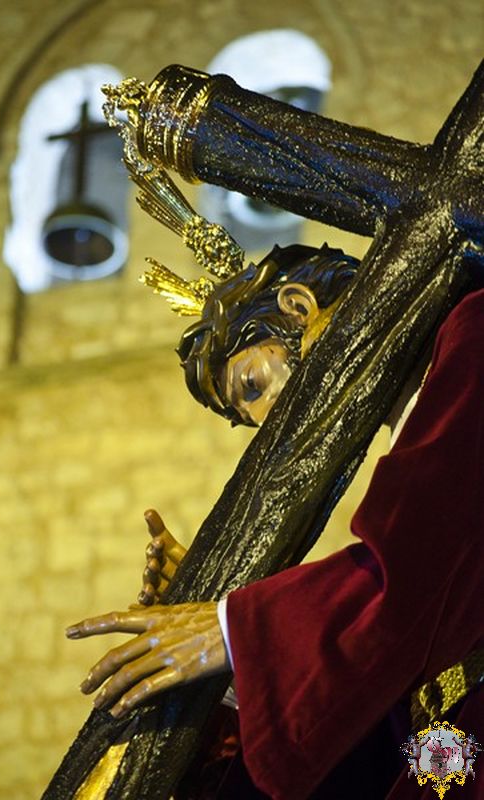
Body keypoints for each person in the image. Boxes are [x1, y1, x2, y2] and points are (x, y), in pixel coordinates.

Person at [66, 256, 484, 798]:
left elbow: (417, 568)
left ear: (299, 307)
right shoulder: (408, 420)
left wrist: (233, 630)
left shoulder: (471, 333)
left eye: (252, 385)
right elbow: (393, 709)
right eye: (248, 419)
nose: (267, 422)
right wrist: (230, 672)